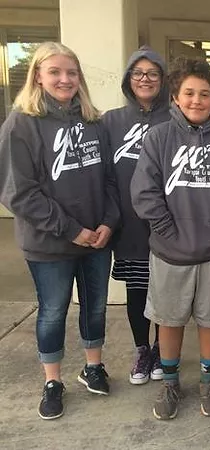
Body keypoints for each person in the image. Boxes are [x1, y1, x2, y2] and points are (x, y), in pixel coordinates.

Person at [0, 42, 120, 420]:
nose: (65, 79)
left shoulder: (94, 122)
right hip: (49, 243)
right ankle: (52, 381)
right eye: (55, 72)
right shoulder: (21, 123)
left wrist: (107, 223)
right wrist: (72, 230)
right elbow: (19, 192)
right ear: (38, 75)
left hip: (97, 240)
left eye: (71, 72)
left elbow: (111, 180)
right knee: (52, 312)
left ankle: (93, 366)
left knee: (95, 307)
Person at [130, 56, 210, 420]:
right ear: (176, 97)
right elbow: (144, 191)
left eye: (205, 94)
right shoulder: (159, 137)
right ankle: (169, 382)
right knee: (170, 319)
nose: (197, 100)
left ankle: (208, 380)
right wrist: (167, 230)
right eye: (190, 93)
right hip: (169, 252)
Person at [103, 46, 170, 385]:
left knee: (165, 291)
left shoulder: (175, 118)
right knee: (138, 289)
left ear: (162, 80)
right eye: (138, 73)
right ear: (129, 79)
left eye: (152, 73)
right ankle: (142, 349)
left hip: (167, 224)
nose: (145, 79)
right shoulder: (111, 121)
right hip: (128, 223)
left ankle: (162, 347)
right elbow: (104, 176)